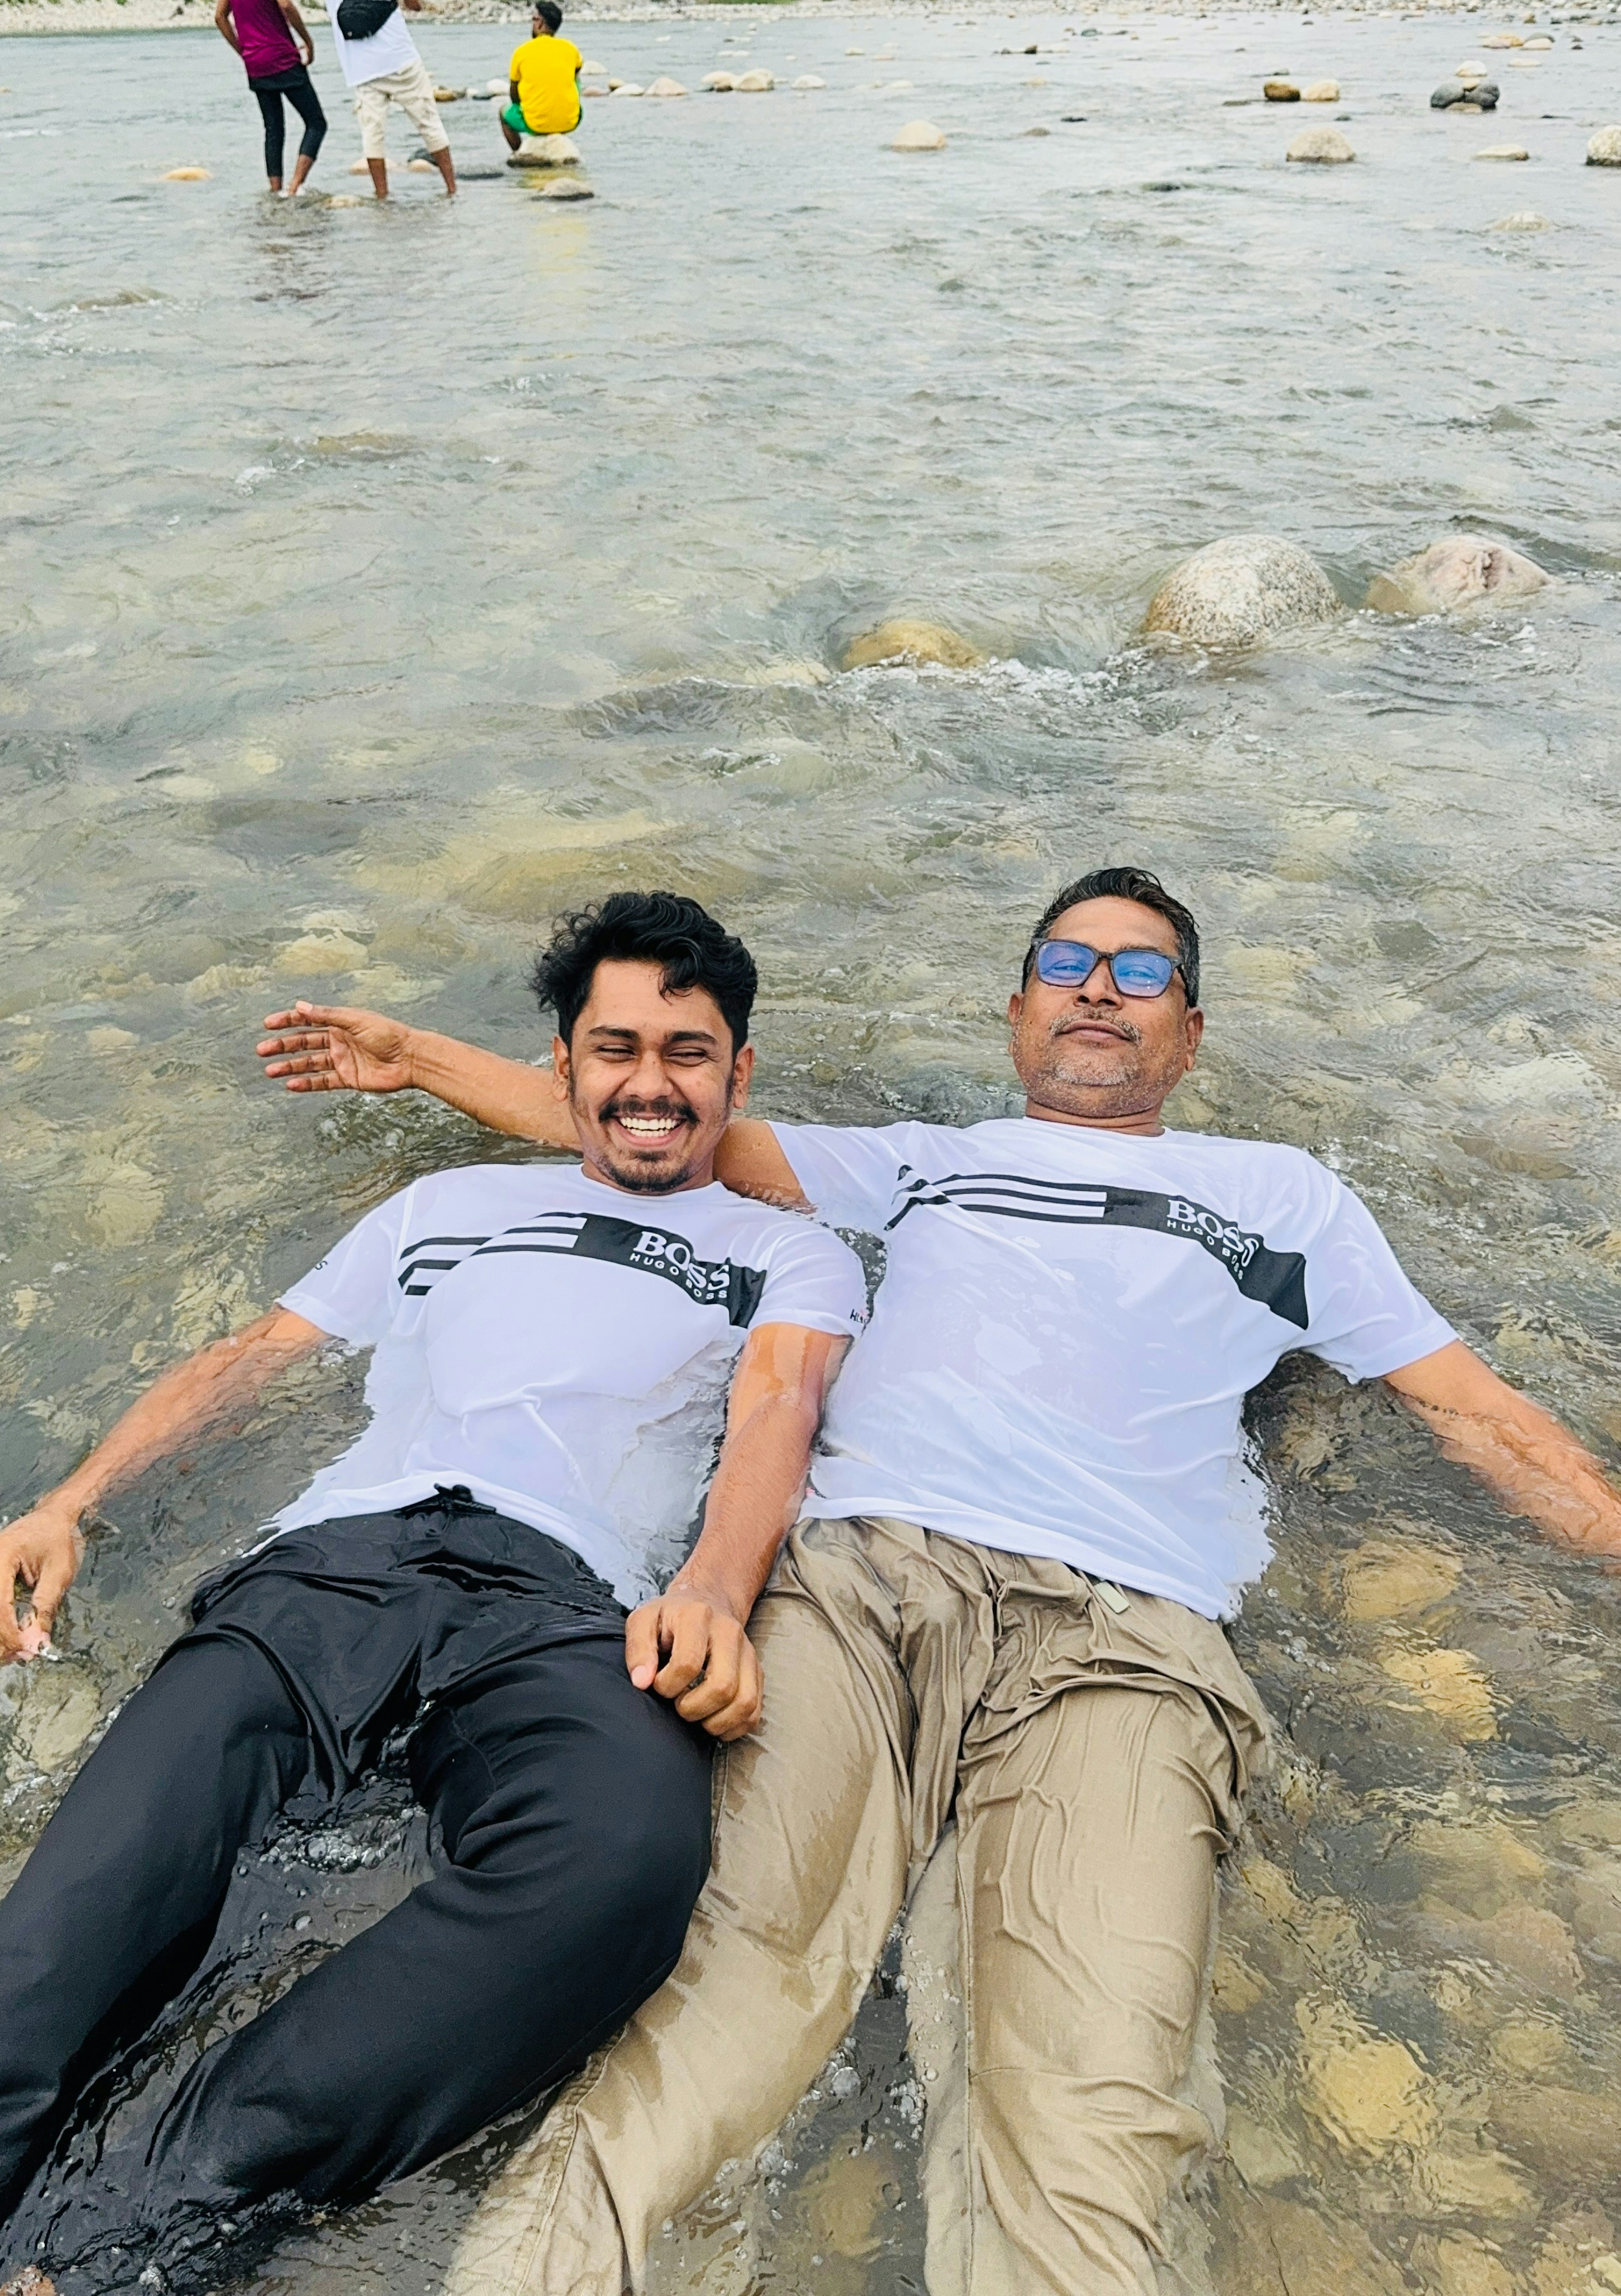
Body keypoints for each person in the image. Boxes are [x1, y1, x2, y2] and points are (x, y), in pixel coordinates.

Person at [258, 865, 1621, 2296]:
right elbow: (651, 1124)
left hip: (1123, 1640)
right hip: (856, 1588)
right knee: (711, 2004)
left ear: (1191, 1033)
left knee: (1094, 2101)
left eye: (1141, 971)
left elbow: (1479, 1416)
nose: (1100, 990)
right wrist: (416, 1059)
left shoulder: (1283, 1198)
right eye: (1067, 964)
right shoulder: (923, 1162)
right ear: (1017, 1010)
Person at [0, 895, 865, 2296]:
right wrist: (68, 1503)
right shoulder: (445, 1207)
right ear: (562, 1066)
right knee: (83, 1918)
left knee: (623, 1858)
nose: (650, 1083)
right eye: (615, 1047)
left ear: (738, 1076)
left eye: (688, 1053)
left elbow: (778, 1406)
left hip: (568, 1603)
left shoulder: (784, 1249)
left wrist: (712, 1594)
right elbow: (252, 1357)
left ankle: (127, 2233)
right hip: (329, 1569)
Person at [318, 0, 456, 202]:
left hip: (360, 66)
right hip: (398, 57)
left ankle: (382, 196)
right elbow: (414, 3)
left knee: (372, 133)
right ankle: (452, 190)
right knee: (429, 123)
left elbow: (337, 16)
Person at [214, 0, 326, 197]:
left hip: (255, 63)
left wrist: (243, 51)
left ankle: (275, 192)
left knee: (273, 128)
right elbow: (285, 3)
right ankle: (295, 187)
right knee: (316, 123)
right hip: (281, 56)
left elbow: (220, 16)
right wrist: (307, 40)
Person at [500, 0, 583, 155]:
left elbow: (514, 95)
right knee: (575, 79)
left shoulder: (522, 52)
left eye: (534, 19)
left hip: (535, 124)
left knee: (503, 113)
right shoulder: (571, 49)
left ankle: (519, 152)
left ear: (540, 23)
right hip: (571, 121)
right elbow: (576, 77)